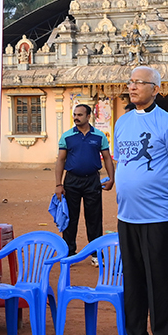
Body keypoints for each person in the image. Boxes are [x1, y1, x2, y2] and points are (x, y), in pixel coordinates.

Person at [109, 65, 168, 335]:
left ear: (155, 89)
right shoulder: (122, 122)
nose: (132, 87)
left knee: (158, 282)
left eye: (139, 83)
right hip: (127, 216)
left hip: (158, 217)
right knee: (132, 282)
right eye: (130, 82)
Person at [53, 103, 114, 257]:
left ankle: (95, 254)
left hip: (92, 181)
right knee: (70, 218)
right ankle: (69, 253)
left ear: (88, 116)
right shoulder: (67, 136)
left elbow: (107, 158)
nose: (76, 118)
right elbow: (60, 160)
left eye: (80, 115)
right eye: (75, 114)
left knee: (94, 218)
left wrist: (112, 178)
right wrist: (59, 184)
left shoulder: (99, 136)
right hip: (71, 181)